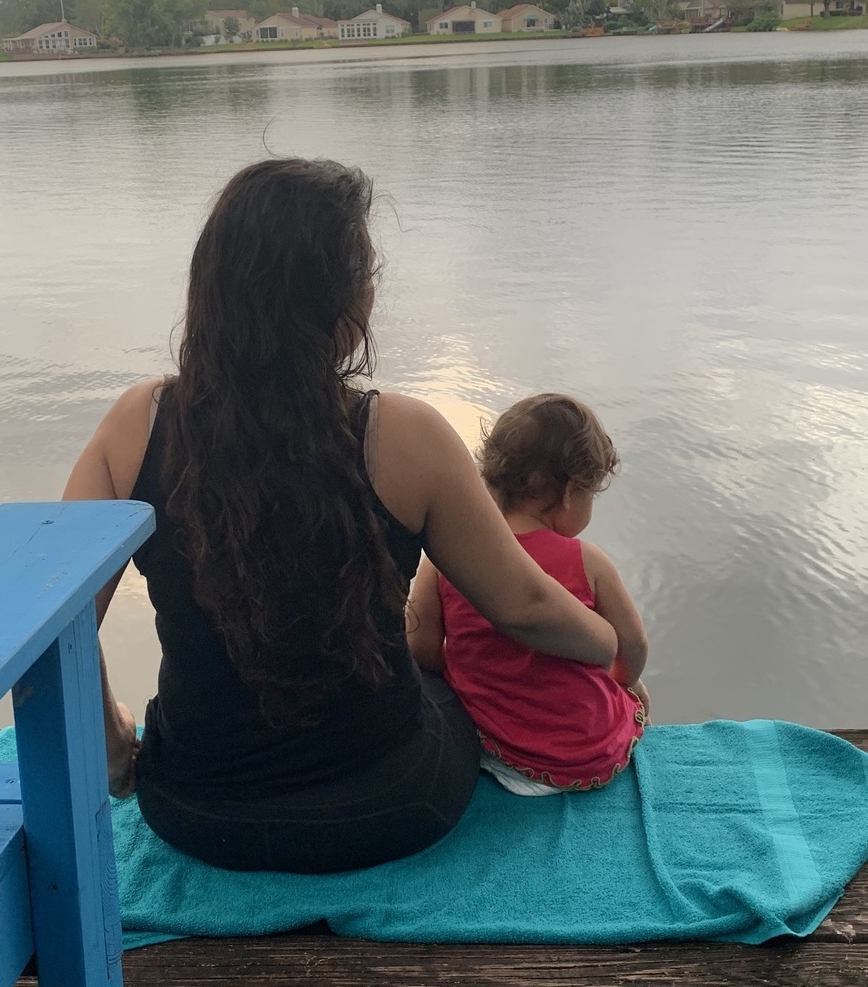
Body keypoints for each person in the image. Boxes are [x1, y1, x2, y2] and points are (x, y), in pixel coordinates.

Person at [62, 159, 617, 873]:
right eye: (368, 273)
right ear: (340, 302)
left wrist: (113, 747)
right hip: (391, 808)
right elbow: (526, 607)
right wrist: (607, 644)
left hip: (198, 813)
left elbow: (54, 614)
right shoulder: (407, 437)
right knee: (445, 687)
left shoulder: (135, 426)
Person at [407, 393, 649, 797]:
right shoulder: (589, 562)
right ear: (570, 492)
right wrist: (624, 684)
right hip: (584, 756)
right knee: (632, 698)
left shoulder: (448, 555)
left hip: (491, 748)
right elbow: (634, 645)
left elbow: (420, 648)